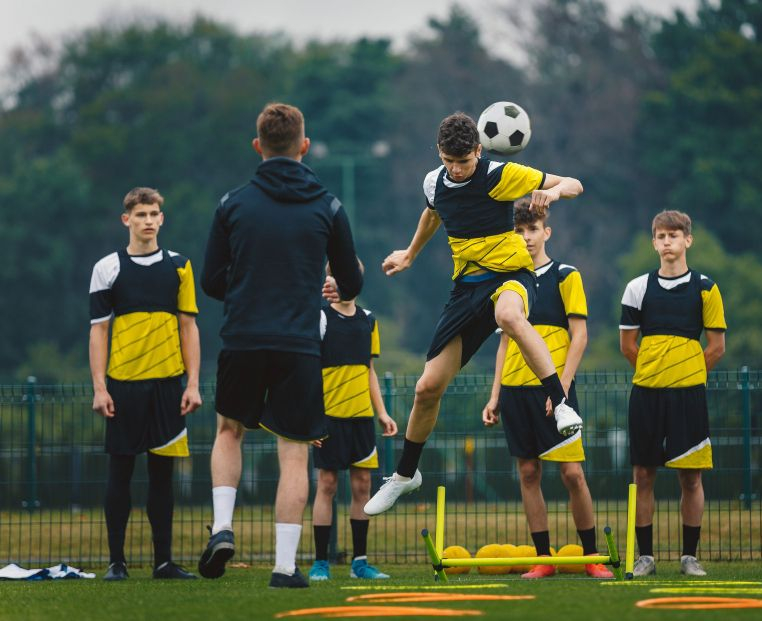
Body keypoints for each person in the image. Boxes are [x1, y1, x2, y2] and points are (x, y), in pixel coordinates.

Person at [359, 112, 584, 516]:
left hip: (511, 275)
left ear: (479, 151)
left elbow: (574, 183)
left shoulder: (501, 175)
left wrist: (553, 193)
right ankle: (406, 474)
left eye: (463, 161)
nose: (456, 169)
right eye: (448, 161)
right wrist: (410, 254)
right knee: (427, 388)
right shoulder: (434, 181)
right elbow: (433, 213)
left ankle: (561, 403)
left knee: (509, 318)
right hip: (467, 288)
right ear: (439, 154)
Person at [198, 102, 363, 588]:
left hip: (243, 336)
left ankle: (223, 526)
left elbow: (211, 279)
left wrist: (251, 287)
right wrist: (333, 285)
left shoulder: (231, 204)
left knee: (229, 430)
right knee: (293, 451)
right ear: (304, 147)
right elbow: (349, 280)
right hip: (298, 343)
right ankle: (285, 566)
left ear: (258, 147)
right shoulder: (328, 206)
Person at [482, 199, 612, 579]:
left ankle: (591, 557)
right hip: (515, 389)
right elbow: (505, 343)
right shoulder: (509, 284)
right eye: (519, 231)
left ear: (547, 232)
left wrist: (563, 389)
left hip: (556, 392)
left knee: (572, 473)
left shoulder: (566, 275)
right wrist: (494, 396)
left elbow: (581, 335)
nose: (526, 237)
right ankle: (544, 559)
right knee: (528, 473)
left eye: (532, 229)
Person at [89, 187, 202, 581]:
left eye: (154, 214)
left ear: (162, 219)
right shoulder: (107, 268)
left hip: (169, 387)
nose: (149, 221)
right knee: (119, 474)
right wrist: (100, 387)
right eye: (141, 215)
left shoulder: (179, 266)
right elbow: (98, 333)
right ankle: (116, 562)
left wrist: (193, 384)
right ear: (126, 220)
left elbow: (189, 327)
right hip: (123, 386)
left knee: (162, 479)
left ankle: (163, 562)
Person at [618, 210, 727, 577]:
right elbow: (628, 346)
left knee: (691, 477)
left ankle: (689, 557)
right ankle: (645, 557)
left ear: (687, 241)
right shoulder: (637, 288)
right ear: (654, 243)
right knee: (643, 475)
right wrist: (656, 371)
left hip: (689, 397)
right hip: (646, 395)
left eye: (674, 236)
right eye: (661, 236)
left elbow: (716, 347)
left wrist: (688, 374)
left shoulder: (706, 288)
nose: (667, 242)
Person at [309, 265, 398, 581]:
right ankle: (320, 562)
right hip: (329, 419)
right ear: (328, 279)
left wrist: (382, 413)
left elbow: (370, 371)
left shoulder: (368, 320)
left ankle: (360, 563)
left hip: (361, 420)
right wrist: (311, 419)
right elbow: (308, 371)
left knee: (362, 486)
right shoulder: (319, 318)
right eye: (337, 273)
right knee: (328, 485)